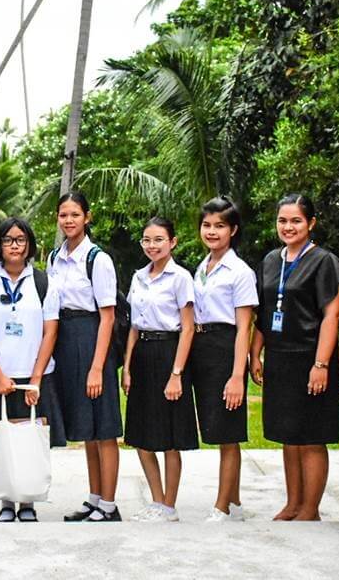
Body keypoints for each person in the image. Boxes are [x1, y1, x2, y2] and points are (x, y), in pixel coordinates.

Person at [250, 194, 339, 521]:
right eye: (282, 220)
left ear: (311, 223)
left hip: (311, 358)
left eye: (296, 221)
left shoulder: (324, 262)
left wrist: (321, 365)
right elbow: (263, 314)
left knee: (311, 437)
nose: (288, 227)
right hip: (280, 359)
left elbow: (332, 317)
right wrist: (255, 354)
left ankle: (310, 508)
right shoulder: (270, 261)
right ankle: (293, 503)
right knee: (287, 436)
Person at [0, 217, 65, 522]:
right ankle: (6, 503)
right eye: (9, 240)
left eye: (21, 240)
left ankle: (28, 502)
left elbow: (50, 331)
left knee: (30, 441)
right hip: (0, 376)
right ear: (0, 245)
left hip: (34, 375)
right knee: (3, 439)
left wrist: (36, 377)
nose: (15, 245)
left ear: (29, 246)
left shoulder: (43, 282)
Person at [47, 192, 123, 522]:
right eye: (63, 215)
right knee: (87, 427)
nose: (69, 221)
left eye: (75, 214)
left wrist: (96, 367)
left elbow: (107, 315)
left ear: (87, 217)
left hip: (93, 339)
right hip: (65, 338)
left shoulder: (97, 259)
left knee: (103, 427)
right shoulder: (54, 257)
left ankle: (109, 504)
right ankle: (94, 497)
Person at [123, 217, 197, 522]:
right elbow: (133, 327)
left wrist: (176, 374)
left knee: (169, 437)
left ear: (173, 242)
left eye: (158, 240)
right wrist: (126, 367)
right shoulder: (138, 277)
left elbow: (189, 329)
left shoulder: (180, 277)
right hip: (142, 353)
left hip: (169, 353)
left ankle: (169, 505)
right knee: (140, 435)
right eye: (146, 240)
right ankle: (156, 501)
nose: (152, 245)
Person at [189, 197, 258, 522]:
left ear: (233, 230)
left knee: (228, 433)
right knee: (216, 428)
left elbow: (244, 325)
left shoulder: (239, 272)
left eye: (220, 226)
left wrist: (236, 375)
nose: (212, 231)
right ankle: (235, 503)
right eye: (207, 225)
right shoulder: (202, 267)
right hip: (201, 348)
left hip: (225, 346)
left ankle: (221, 507)